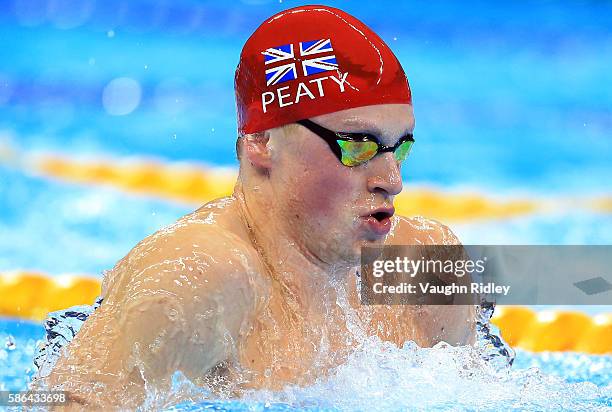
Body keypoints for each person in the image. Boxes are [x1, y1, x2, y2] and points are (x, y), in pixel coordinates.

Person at [45, 5, 475, 408]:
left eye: (399, 149)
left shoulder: (425, 266)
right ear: (261, 142)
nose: (392, 181)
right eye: (357, 145)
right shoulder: (200, 276)